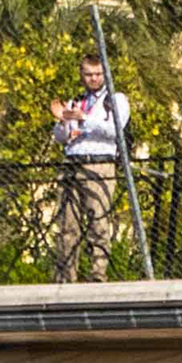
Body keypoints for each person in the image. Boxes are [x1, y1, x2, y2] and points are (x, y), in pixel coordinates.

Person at [48, 55, 128, 281]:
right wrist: (63, 120)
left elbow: (115, 130)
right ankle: (65, 276)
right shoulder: (76, 101)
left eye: (98, 74)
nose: (93, 78)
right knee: (67, 224)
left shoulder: (115, 100)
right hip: (72, 163)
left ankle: (97, 276)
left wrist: (85, 119)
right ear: (81, 75)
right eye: (88, 74)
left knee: (98, 221)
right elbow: (61, 137)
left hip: (99, 163)